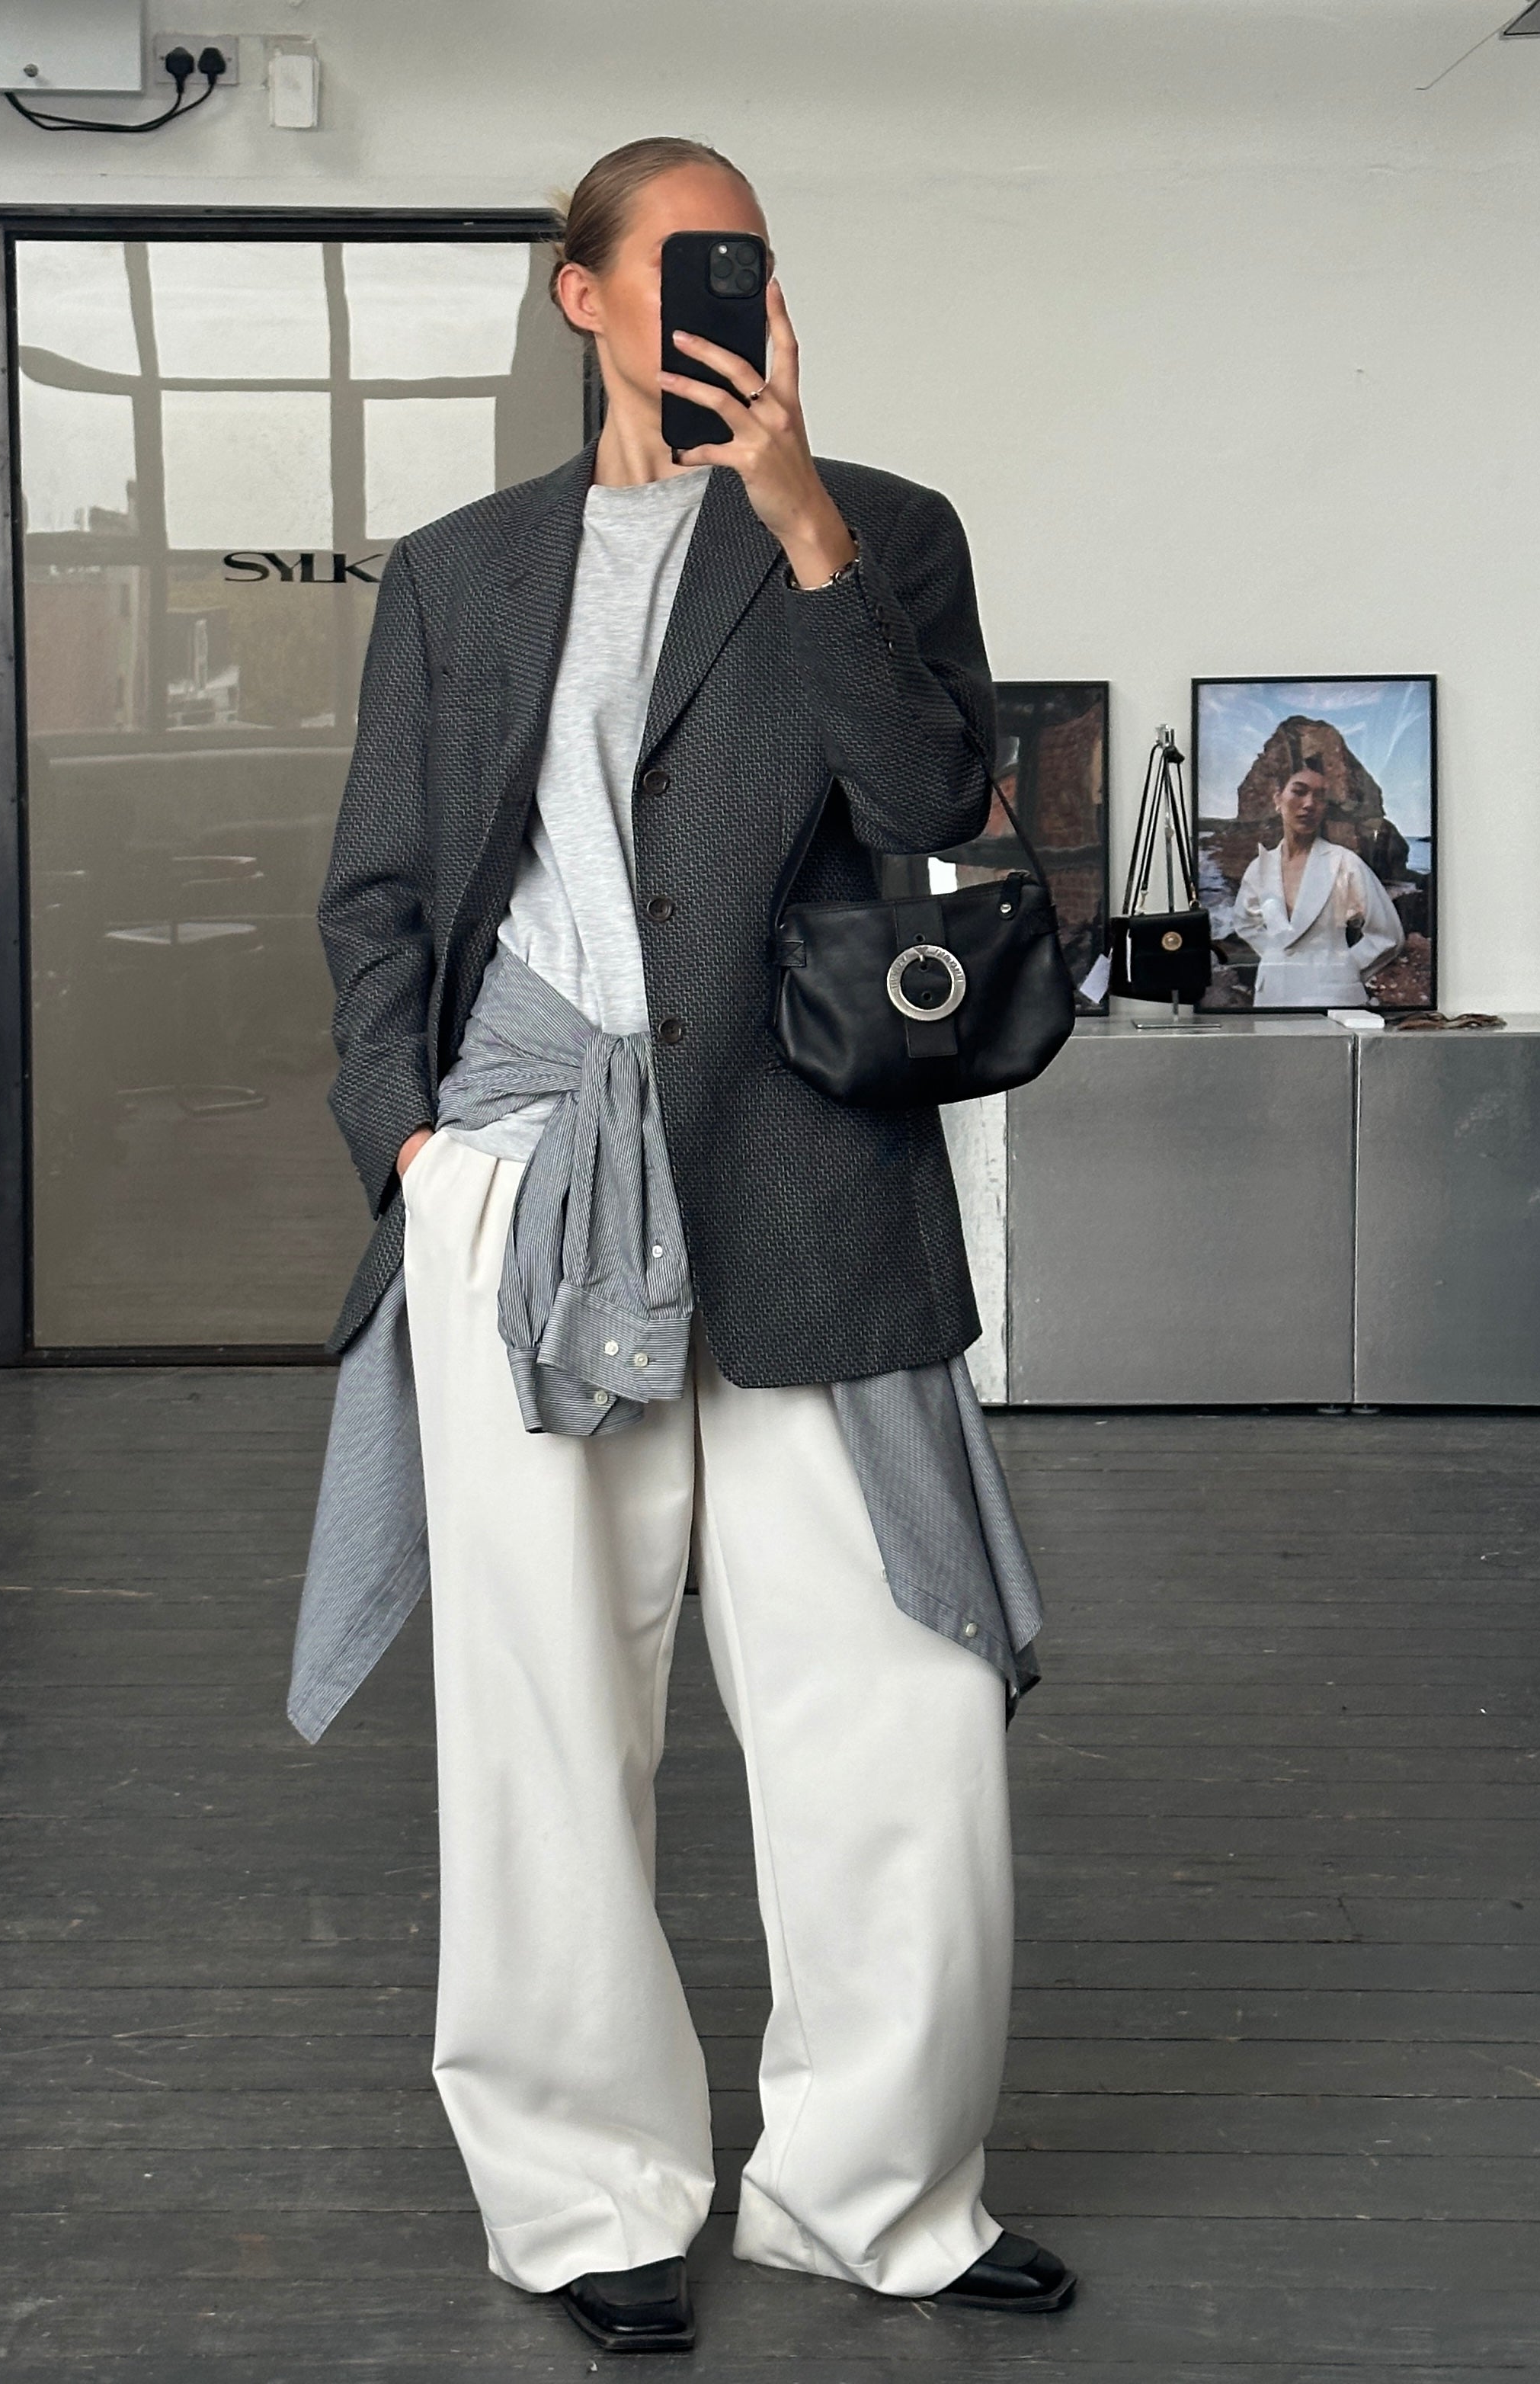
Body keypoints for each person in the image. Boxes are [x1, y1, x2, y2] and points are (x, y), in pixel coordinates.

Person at [287, 136, 1071, 2355]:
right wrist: (414, 1144)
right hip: (531, 1188)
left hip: (814, 1174)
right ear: (584, 294)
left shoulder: (886, 526)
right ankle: (583, 2195)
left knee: (898, 1702)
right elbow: (379, 892)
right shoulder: (460, 573)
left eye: (756, 259)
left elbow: (934, 812)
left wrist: (803, 523)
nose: (734, 291)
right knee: (542, 1713)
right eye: (688, 259)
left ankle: (876, 2190)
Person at [1228, 749, 1404, 1006]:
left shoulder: (1344, 863)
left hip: (1333, 999)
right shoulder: (1260, 867)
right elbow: (1245, 923)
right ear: (1278, 799)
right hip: (1273, 997)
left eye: (1319, 797)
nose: (1309, 804)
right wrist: (1276, 957)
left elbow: (1387, 935)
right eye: (1299, 792)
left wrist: (1343, 967)